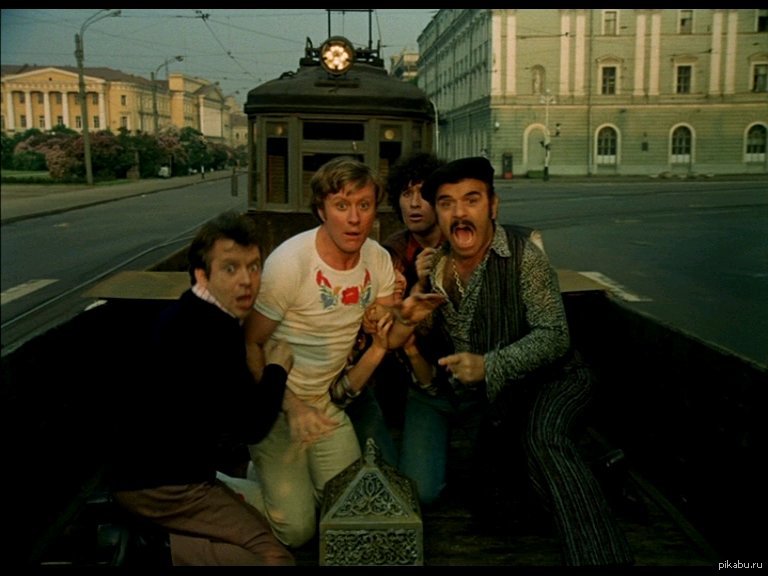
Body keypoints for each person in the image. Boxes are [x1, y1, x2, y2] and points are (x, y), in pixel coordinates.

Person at [398, 156, 634, 566]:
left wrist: (488, 366)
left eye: (471, 200)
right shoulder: (436, 268)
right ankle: (601, 476)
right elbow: (431, 336)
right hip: (504, 399)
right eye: (448, 203)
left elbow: (555, 336)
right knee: (495, 506)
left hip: (558, 379)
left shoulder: (524, 256)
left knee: (544, 439)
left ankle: (602, 557)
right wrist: (414, 306)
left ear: (493, 206)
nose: (459, 213)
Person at [243, 156, 444, 548]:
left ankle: (274, 478)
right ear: (322, 210)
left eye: (363, 205)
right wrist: (291, 405)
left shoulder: (378, 260)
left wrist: (405, 317)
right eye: (341, 205)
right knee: (297, 531)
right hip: (274, 404)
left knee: (348, 504)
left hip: (326, 403)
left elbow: (387, 339)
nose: (354, 219)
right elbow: (249, 344)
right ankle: (221, 487)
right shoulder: (289, 263)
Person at [107, 210, 295, 566]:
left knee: (259, 525)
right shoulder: (214, 332)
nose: (246, 281)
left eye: (254, 267)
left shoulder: (191, 312)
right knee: (275, 558)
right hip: (163, 486)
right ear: (202, 275)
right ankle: (156, 550)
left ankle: (163, 545)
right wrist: (276, 369)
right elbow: (252, 428)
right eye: (230, 269)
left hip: (147, 473)